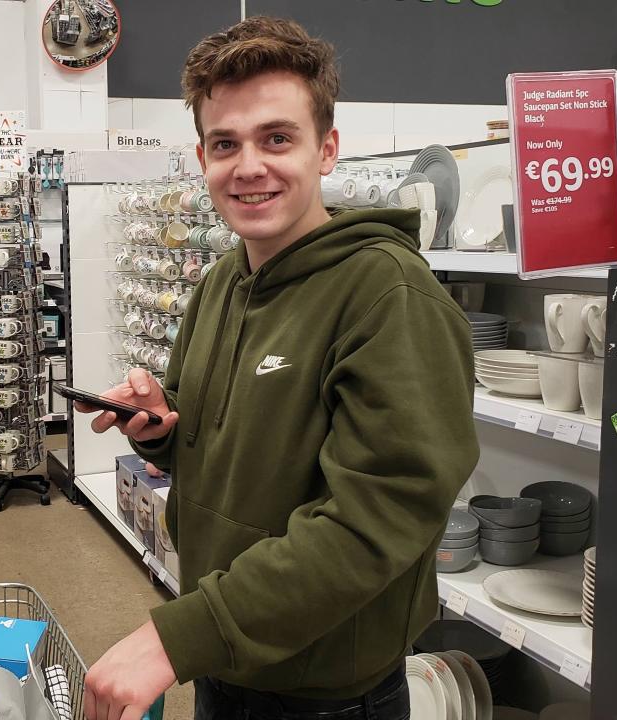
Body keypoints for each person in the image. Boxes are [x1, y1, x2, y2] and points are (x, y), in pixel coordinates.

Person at [78, 16, 479, 720]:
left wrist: (177, 641)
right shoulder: (220, 283)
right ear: (201, 157)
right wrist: (160, 425)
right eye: (225, 144)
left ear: (326, 151)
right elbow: (229, 442)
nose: (249, 165)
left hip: (323, 693)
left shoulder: (388, 295)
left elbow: (376, 517)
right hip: (226, 660)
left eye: (277, 138)